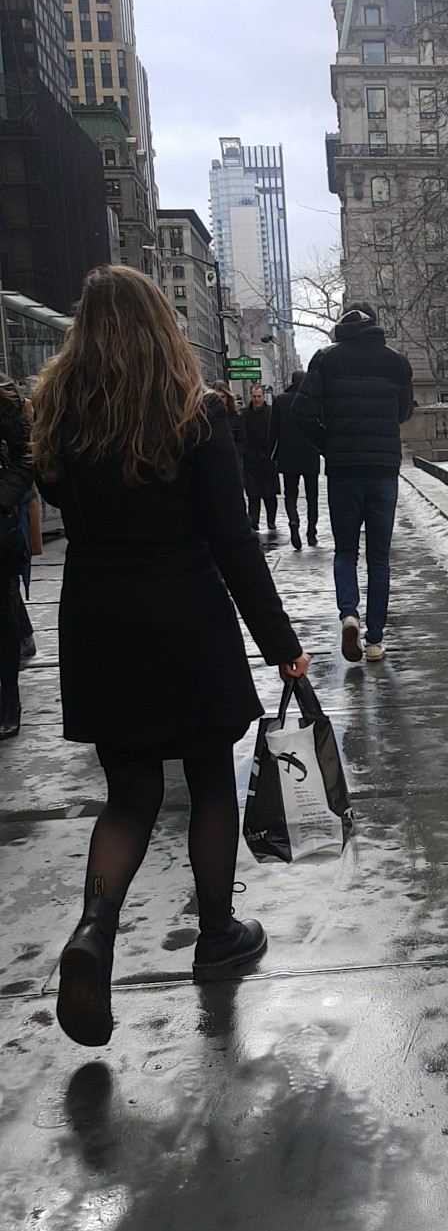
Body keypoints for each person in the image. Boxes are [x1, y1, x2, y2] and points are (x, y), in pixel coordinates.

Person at [31, 266, 310, 1050]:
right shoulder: (195, 417)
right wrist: (283, 648)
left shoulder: (58, 417)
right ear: (163, 328)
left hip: (97, 624)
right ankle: (216, 933)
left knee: (128, 798)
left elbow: (54, 498)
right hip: (185, 619)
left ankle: (94, 930)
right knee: (210, 781)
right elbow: (232, 543)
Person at [293, 304, 413, 663]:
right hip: (382, 470)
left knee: (346, 551)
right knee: (379, 556)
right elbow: (405, 412)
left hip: (343, 470)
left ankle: (349, 615)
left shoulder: (325, 360)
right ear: (375, 324)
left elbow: (301, 411)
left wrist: (328, 443)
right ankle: (375, 639)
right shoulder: (396, 362)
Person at [0, 376, 33, 741]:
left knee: (3, 619)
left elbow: (28, 456)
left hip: (0, 531)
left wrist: (3, 496)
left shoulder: (5, 402)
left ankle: (9, 698)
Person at [270, 367, 321, 550]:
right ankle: (311, 532)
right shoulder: (312, 401)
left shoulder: (280, 401)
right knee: (312, 495)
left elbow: (273, 431)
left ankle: (293, 520)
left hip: (287, 455)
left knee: (290, 494)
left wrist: (272, 456)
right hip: (310, 454)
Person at [240, 384, 279, 532]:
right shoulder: (244, 414)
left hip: (267, 458)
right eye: (254, 396)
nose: (256, 399)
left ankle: (271, 521)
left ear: (264, 397)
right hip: (252, 460)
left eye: (259, 396)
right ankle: (254, 522)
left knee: (270, 494)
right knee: (253, 495)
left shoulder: (270, 413)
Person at [213, 379, 245, 474]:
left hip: (233, 463)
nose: (220, 400)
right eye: (217, 397)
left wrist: (236, 454)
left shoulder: (237, 416)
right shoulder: (207, 417)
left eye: (222, 397)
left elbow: (242, 440)